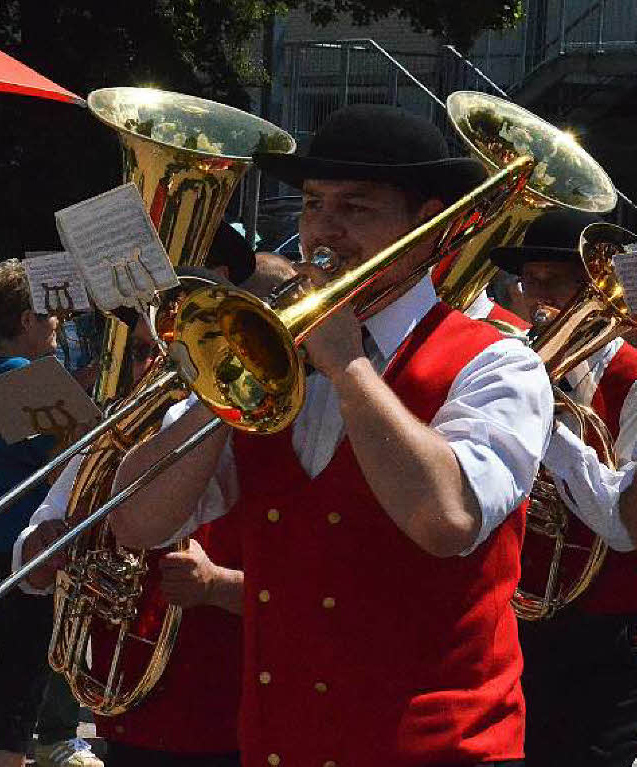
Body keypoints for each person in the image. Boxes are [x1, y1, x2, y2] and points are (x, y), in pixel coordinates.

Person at [107, 104, 555, 767]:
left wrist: (348, 365)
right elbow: (139, 520)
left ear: (428, 226)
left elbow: (448, 518)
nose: (324, 230)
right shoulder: (277, 359)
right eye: (314, 204)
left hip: (441, 750)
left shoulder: (498, 362)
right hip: (279, 745)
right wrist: (219, 373)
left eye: (357, 208)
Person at [14, 254, 275, 767]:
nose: (154, 370)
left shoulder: (265, 449)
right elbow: (31, 555)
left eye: (176, 355)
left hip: (234, 726)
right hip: (127, 718)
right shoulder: (107, 443)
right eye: (141, 353)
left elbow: (325, 598)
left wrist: (218, 586)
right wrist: (43, 550)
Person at [489, 208, 637, 767]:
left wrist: (548, 431)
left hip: (601, 636)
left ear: (595, 287)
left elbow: (624, 530)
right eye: (529, 280)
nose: (536, 297)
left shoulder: (631, 377)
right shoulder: (507, 364)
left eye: (555, 280)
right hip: (513, 618)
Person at [0, 258, 101, 767]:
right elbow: (70, 465)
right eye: (50, 317)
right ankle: (8, 755)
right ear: (26, 319)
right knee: (29, 657)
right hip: (27, 537)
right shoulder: (26, 376)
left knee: (12, 648)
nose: (58, 326)